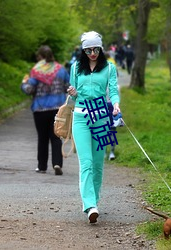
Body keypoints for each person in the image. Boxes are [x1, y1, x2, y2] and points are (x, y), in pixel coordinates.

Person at [67, 31, 120, 223]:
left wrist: (115, 104)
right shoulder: (75, 68)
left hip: (101, 117)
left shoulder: (109, 68)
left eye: (96, 49)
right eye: (88, 50)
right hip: (80, 117)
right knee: (86, 162)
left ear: (101, 48)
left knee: (98, 164)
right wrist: (72, 92)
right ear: (83, 50)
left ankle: (95, 201)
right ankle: (89, 205)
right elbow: (73, 97)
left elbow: (113, 90)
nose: (92, 53)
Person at [21, 45, 70, 175]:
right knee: (56, 137)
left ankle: (42, 166)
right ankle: (57, 163)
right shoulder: (61, 70)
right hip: (57, 109)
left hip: (40, 109)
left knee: (42, 138)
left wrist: (24, 83)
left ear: (40, 57)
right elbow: (68, 87)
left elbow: (29, 90)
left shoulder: (36, 71)